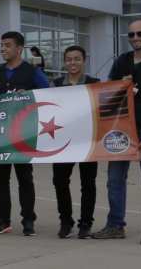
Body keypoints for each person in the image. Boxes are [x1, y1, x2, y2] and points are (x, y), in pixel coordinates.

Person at [93, 18, 141, 246]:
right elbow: (107, 93)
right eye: (131, 35)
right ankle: (115, 225)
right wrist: (120, 85)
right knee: (114, 180)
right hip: (121, 129)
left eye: (140, 34)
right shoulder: (121, 62)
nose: (135, 38)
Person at [0, 31, 49, 236]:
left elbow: (48, 93)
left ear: (19, 48)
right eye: (2, 45)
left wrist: (30, 96)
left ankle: (28, 220)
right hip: (0, 132)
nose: (3, 49)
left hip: (24, 133)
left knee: (24, 177)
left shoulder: (32, 72)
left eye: (7, 45)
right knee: (1, 179)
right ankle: (3, 219)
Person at [51, 45, 100, 239]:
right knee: (60, 181)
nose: (73, 63)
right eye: (69, 59)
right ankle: (66, 221)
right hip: (63, 142)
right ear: (65, 62)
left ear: (84, 60)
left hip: (88, 140)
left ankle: (86, 223)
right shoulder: (55, 84)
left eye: (77, 59)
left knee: (88, 183)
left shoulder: (94, 83)